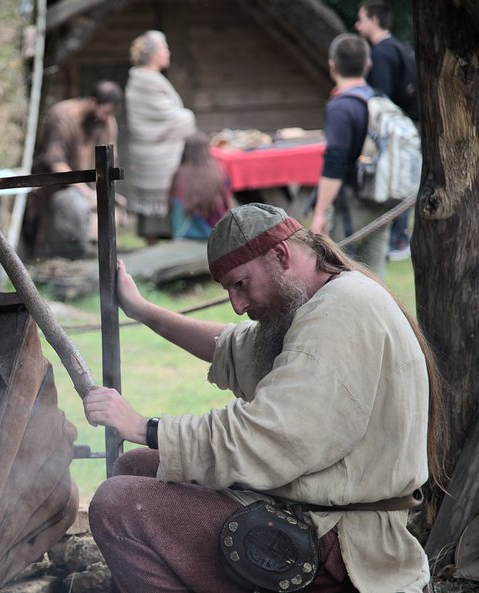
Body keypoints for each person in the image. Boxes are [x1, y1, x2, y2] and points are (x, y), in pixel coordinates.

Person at [84, 202, 443, 593]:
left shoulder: (340, 314)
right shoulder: (322, 301)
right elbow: (233, 346)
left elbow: (268, 439)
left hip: (341, 542)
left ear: (281, 255)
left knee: (117, 505)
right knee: (134, 466)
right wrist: (142, 310)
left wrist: (146, 427)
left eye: (241, 284)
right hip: (319, 510)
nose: (238, 305)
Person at [310, 34, 391, 278]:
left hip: (353, 203)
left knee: (335, 275)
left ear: (332, 65)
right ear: (368, 64)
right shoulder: (379, 99)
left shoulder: (341, 107)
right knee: (375, 276)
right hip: (380, 198)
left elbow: (334, 163)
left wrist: (320, 213)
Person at [21, 80, 122, 260]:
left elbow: (111, 158)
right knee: (74, 207)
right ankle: (62, 263)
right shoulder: (63, 116)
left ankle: (96, 259)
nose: (106, 118)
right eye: (104, 112)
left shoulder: (107, 121)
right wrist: (85, 191)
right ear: (92, 101)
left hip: (90, 186)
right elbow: (55, 161)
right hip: (58, 188)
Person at [355, 0, 417, 261]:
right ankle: (400, 237)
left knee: (391, 181)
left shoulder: (381, 53)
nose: (357, 25)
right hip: (408, 126)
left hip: (392, 130)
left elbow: (382, 97)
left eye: (361, 19)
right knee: (401, 180)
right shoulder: (400, 46)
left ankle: (397, 239)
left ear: (374, 20)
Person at [125, 30, 196, 245]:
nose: (168, 52)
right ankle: (153, 242)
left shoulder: (148, 78)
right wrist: (187, 117)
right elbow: (160, 116)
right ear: (153, 54)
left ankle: (163, 240)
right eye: (164, 48)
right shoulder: (144, 80)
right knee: (157, 199)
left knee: (163, 199)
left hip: (156, 151)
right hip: (153, 153)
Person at [168, 131, 233, 240]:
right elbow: (226, 204)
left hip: (185, 232)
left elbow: (171, 205)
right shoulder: (219, 172)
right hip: (215, 231)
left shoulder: (179, 174)